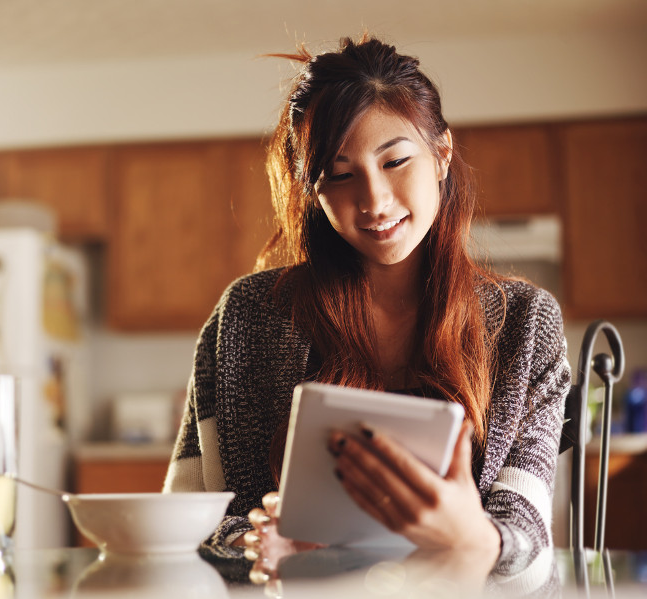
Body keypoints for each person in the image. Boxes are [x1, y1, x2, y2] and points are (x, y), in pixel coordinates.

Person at [163, 34, 571, 593]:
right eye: (339, 173)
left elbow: (526, 533)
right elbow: (185, 515)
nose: (374, 201)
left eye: (395, 160)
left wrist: (475, 536)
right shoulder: (247, 316)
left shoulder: (525, 323)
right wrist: (258, 543)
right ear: (313, 189)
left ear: (442, 155)